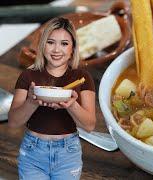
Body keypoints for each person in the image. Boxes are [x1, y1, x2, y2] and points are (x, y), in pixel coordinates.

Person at [8, 17, 96, 180]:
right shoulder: (28, 75)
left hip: (68, 153)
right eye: (51, 42)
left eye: (64, 43)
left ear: (73, 48)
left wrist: (72, 105)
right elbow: (13, 122)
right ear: (43, 45)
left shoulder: (83, 77)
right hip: (32, 152)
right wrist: (32, 102)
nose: (57, 50)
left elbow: (89, 125)